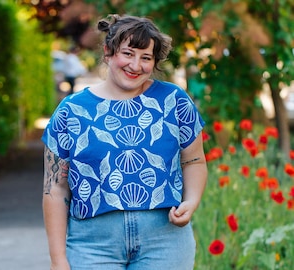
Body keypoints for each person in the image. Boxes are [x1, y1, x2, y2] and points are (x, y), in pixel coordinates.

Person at [41, 14, 207, 270]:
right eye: (128, 53)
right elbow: (55, 188)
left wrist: (191, 201)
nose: (136, 65)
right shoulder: (71, 111)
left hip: (166, 241)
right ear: (108, 52)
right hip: (93, 245)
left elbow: (194, 160)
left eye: (146, 57)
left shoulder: (174, 101)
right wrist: (58, 259)